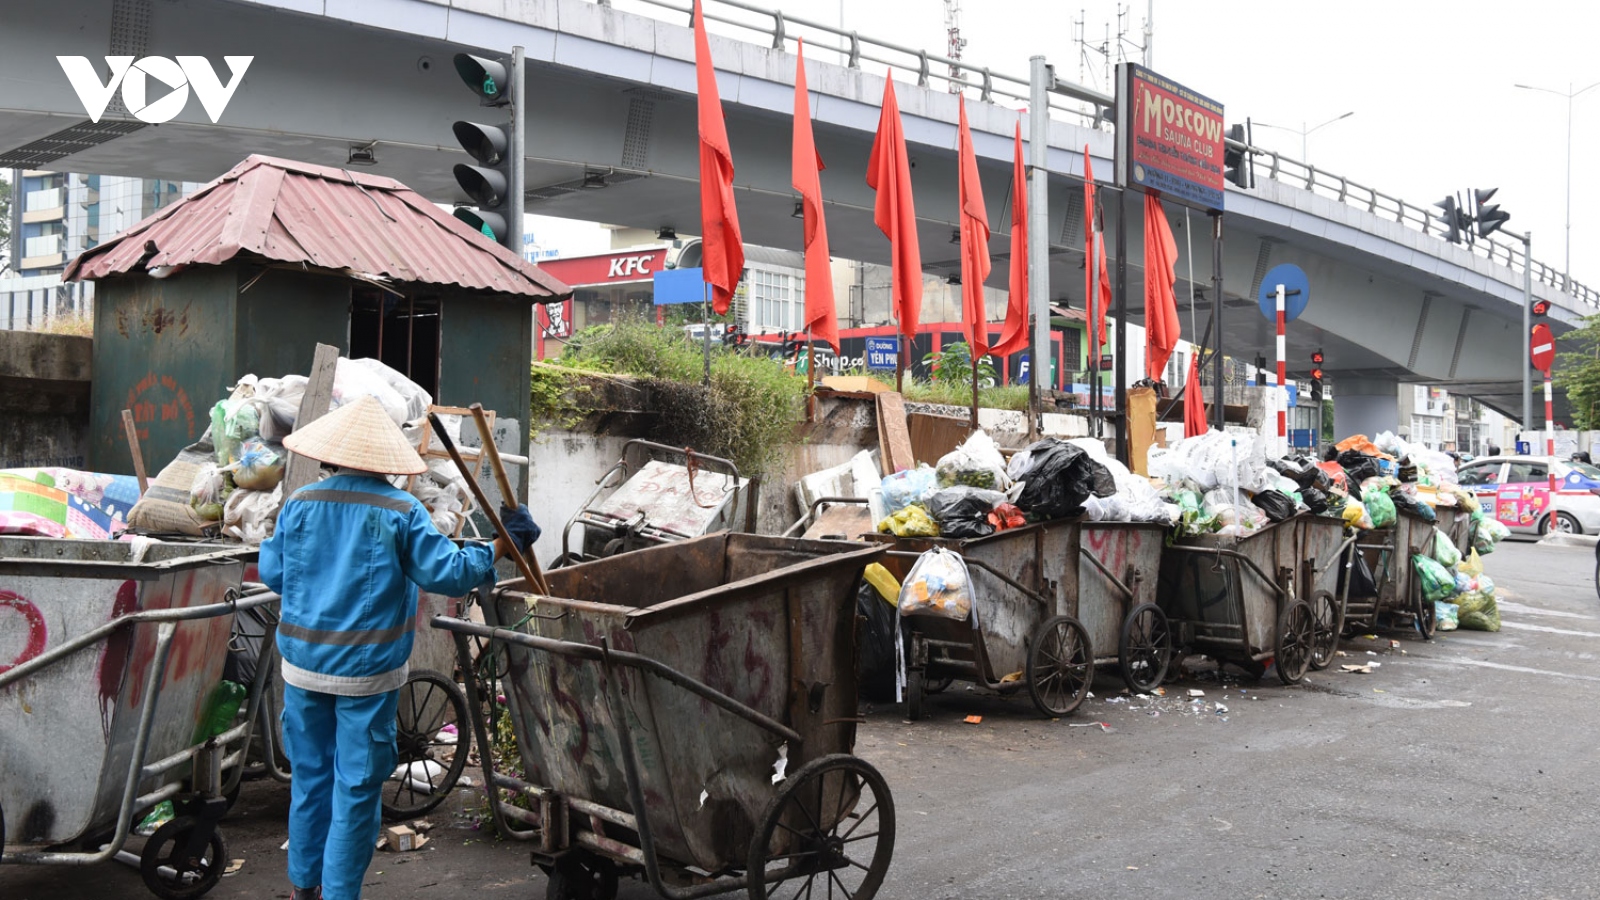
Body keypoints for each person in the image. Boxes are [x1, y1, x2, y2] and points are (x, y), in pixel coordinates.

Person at [260, 396, 539, 900]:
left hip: (301, 670)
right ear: (385, 461)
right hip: (365, 678)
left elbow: (274, 573)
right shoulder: (400, 509)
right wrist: (500, 546)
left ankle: (305, 889)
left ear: (332, 456)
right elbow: (449, 574)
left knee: (310, 782)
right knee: (356, 788)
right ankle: (339, 894)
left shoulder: (300, 503)